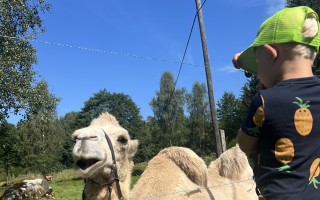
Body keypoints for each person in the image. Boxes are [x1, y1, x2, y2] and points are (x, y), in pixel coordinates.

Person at [232, 6, 320, 200]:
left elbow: (245, 145)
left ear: (271, 54)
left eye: (257, 63)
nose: (257, 74)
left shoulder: (265, 100)